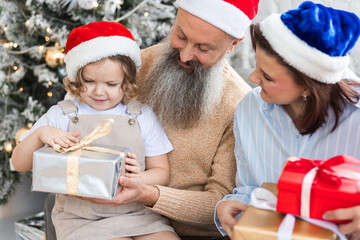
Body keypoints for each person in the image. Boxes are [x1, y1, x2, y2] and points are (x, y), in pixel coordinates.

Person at [70, 0, 260, 239]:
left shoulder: (239, 106)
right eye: (180, 35)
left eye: (203, 48)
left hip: (183, 232)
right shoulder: (133, 66)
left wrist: (150, 194)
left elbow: (220, 204)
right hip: (104, 215)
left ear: (232, 45)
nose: (185, 54)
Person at [11, 21, 179, 240]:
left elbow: (162, 173)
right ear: (76, 77)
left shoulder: (141, 116)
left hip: (136, 214)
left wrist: (137, 179)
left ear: (125, 82)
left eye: (111, 84)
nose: (99, 92)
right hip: (80, 220)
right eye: (89, 81)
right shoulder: (61, 115)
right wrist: (40, 134)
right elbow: (18, 163)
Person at [215, 1, 360, 238]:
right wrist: (227, 205)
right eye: (256, 66)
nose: (252, 78)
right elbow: (251, 189)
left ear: (308, 85)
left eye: (267, 76)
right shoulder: (250, 109)